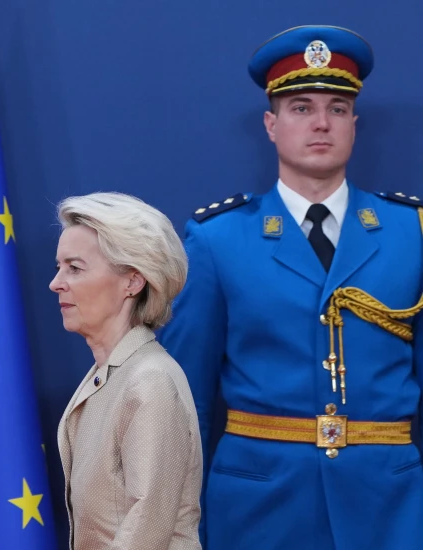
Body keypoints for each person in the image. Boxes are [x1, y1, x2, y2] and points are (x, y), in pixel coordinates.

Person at [157, 25, 423, 549]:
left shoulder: (410, 233)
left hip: (390, 507)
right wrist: (180, 524)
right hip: (258, 509)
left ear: (354, 124)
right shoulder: (218, 239)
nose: (321, 123)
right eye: (301, 108)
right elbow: (187, 404)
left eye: (338, 108)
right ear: (271, 124)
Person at [50, 192, 202, 550]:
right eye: (59, 267)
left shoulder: (149, 381)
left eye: (75, 268)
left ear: (132, 282)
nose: (56, 283)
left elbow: (145, 530)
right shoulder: (111, 374)